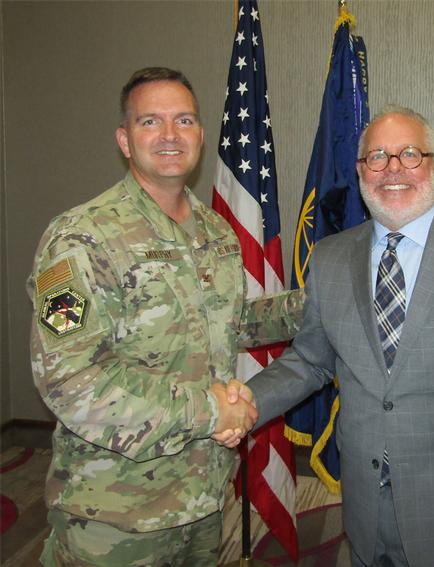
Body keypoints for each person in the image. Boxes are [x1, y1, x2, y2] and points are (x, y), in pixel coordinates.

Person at [229, 106, 434, 567]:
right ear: (360, 171)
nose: (392, 169)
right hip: (366, 507)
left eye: (409, 154)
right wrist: (243, 402)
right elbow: (310, 360)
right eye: (377, 157)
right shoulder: (329, 258)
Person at [27, 66, 303, 566]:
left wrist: (314, 307)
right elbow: (70, 381)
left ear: (200, 134)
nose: (171, 136)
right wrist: (210, 411)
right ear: (125, 140)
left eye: (184, 121)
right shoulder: (79, 238)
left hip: (203, 498)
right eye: (150, 122)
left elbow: (231, 321)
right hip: (117, 514)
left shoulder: (215, 232)